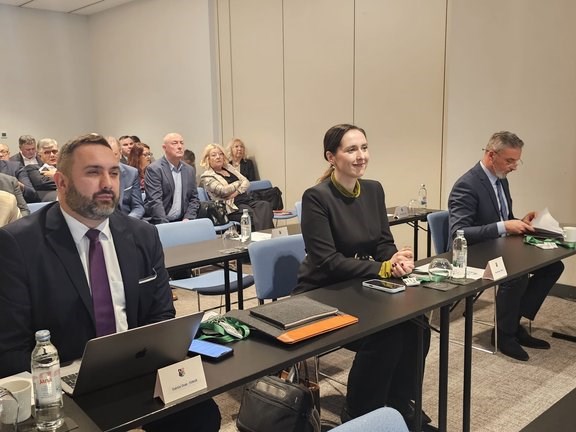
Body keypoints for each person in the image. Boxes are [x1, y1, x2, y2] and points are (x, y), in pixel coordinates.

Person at [0, 133, 220, 431]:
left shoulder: (142, 235)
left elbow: (161, 315)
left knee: (202, 417)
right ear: (61, 182)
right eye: (93, 172)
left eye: (114, 173)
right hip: (63, 383)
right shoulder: (18, 244)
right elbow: (10, 348)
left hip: (137, 368)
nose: (107, 183)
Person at [295, 124, 430, 429]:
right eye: (351, 149)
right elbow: (327, 261)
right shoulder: (316, 197)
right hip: (322, 290)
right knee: (386, 333)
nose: (361, 156)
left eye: (364, 148)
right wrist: (382, 268)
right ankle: (361, 412)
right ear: (331, 157)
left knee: (417, 325)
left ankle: (399, 405)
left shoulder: (374, 189)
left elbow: (382, 242)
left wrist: (394, 259)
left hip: (359, 285)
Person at [448, 131, 564, 361]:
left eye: (516, 161)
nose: (514, 167)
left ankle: (513, 321)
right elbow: (459, 233)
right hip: (475, 253)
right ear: (491, 155)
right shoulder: (467, 185)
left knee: (553, 266)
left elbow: (504, 218)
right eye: (509, 161)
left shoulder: (500, 179)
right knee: (516, 274)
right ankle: (504, 335)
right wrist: (504, 226)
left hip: (501, 247)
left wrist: (520, 222)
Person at [200, 143, 273, 230]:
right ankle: (263, 236)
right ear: (207, 159)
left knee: (265, 206)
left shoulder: (228, 167)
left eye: (221, 154)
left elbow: (246, 181)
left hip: (245, 199)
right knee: (253, 215)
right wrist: (239, 183)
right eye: (214, 155)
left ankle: (265, 236)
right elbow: (224, 190)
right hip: (230, 206)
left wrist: (236, 192)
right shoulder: (207, 176)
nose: (218, 157)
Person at [144, 133, 200, 224]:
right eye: (175, 143)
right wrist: (166, 226)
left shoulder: (189, 170)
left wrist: (188, 218)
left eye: (181, 143)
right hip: (159, 221)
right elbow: (155, 201)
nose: (180, 146)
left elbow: (194, 199)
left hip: (182, 221)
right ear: (164, 147)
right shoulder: (154, 169)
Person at [108, 137, 144, 219]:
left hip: (127, 218)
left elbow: (138, 206)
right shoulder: (94, 175)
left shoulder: (132, 173)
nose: (111, 159)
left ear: (120, 153)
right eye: (107, 155)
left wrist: (128, 221)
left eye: (115, 154)